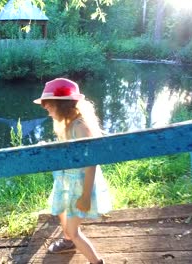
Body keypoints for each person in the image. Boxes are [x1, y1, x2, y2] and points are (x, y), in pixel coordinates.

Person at [33, 78, 112, 264]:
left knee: (74, 231)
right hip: (66, 181)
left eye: (49, 106)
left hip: (79, 185)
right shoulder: (68, 124)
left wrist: (85, 196)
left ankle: (96, 261)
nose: (46, 109)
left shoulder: (80, 127)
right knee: (61, 210)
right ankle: (68, 241)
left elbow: (91, 163)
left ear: (62, 105)